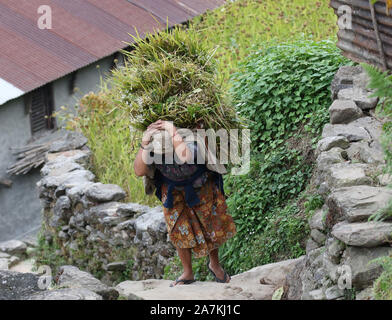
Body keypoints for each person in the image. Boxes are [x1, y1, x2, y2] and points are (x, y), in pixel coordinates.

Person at [134, 120, 237, 287]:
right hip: (173, 192)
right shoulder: (152, 147)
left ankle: (214, 265)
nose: (161, 150)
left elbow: (185, 157)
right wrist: (145, 141)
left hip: (201, 185)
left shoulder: (192, 139)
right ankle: (187, 272)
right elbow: (139, 170)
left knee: (209, 225)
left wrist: (172, 130)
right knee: (177, 229)